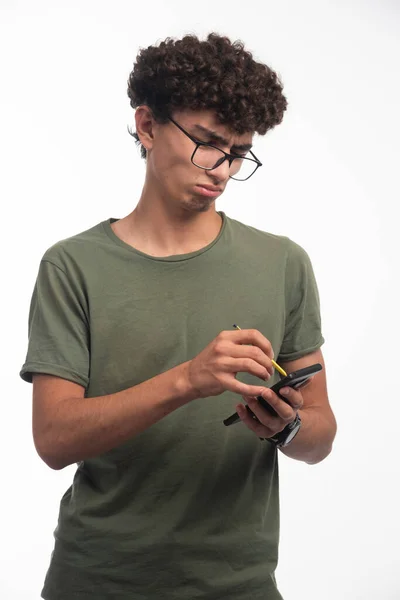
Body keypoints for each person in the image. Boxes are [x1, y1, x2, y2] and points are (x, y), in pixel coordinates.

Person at [20, 32, 337, 600]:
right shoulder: (73, 265)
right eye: (207, 143)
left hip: (239, 585)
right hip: (98, 582)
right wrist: (188, 380)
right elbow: (53, 438)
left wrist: (287, 425)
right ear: (146, 126)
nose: (221, 169)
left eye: (239, 154)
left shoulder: (283, 262)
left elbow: (320, 435)